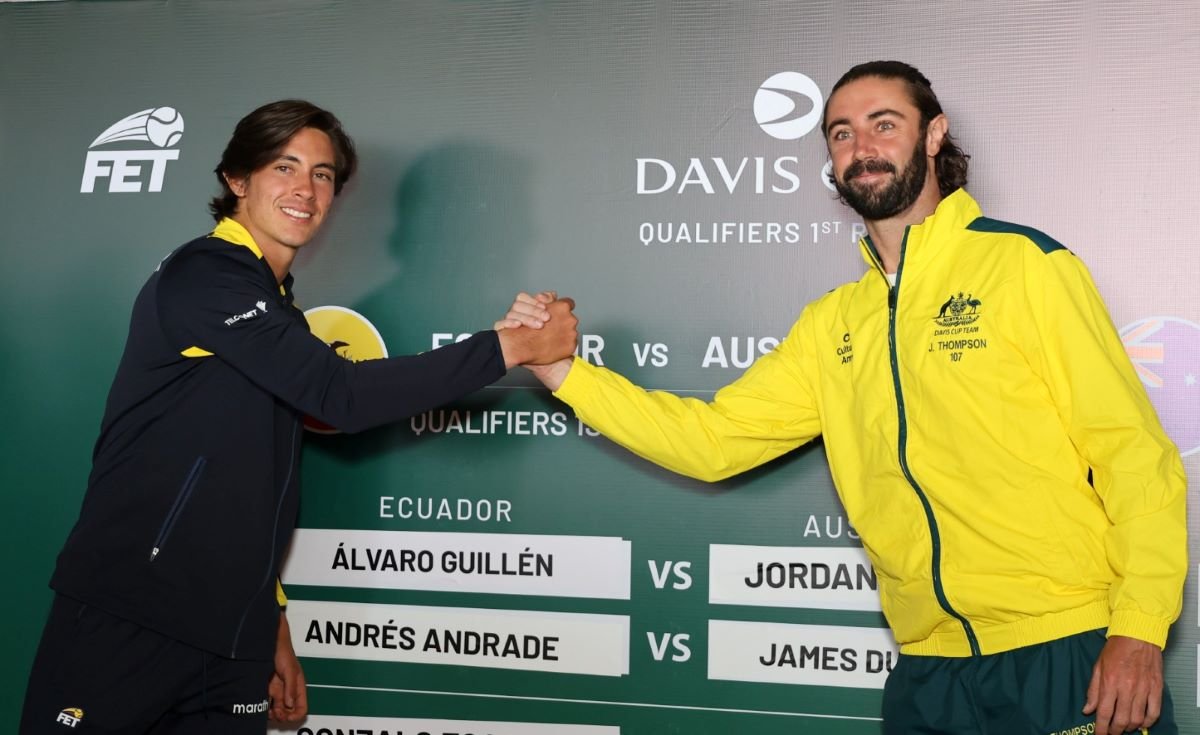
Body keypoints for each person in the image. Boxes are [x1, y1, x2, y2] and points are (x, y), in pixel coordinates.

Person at [514, 61, 1187, 735]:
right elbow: (713, 441)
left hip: (1067, 648)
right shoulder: (832, 321)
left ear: (934, 135)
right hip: (929, 673)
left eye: (883, 125)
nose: (861, 147)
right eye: (841, 133)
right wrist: (563, 372)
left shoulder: (1024, 266)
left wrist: (1138, 627)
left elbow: (1132, 455)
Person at [20, 99, 578, 734]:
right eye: (284, 167)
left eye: (322, 174)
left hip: (231, 636)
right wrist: (512, 347)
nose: (305, 190)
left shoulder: (276, 304)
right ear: (237, 179)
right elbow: (341, 395)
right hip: (132, 611)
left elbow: (247, 482)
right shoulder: (205, 275)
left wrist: (269, 619)